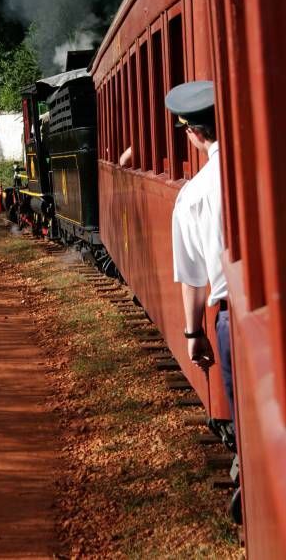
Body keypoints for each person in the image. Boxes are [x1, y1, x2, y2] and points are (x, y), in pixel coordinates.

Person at [165, 81, 241, 524]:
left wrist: (194, 334)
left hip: (232, 318)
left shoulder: (191, 196)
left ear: (192, 133)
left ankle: (248, 478)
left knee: (245, 411)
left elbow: (193, 278)